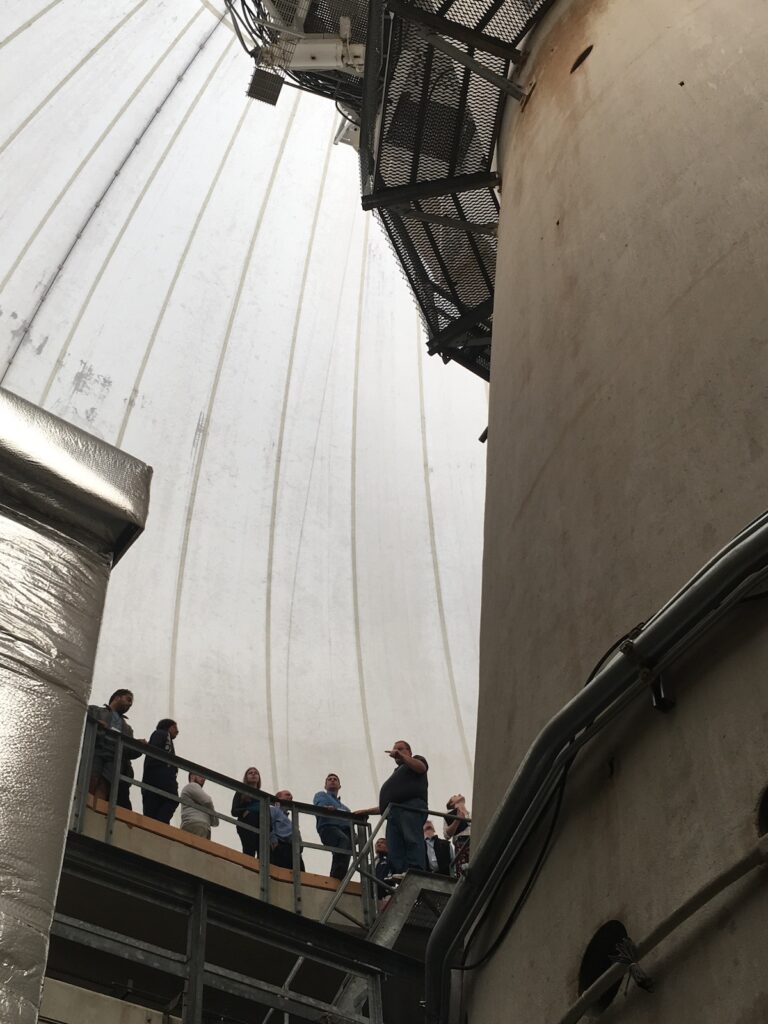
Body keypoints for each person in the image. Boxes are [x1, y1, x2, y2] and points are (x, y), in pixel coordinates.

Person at [356, 740, 428, 874]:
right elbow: (385, 804)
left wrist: (402, 757)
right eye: (395, 750)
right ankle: (402, 872)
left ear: (410, 752)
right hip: (393, 812)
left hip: (410, 808)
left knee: (411, 839)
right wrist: (367, 811)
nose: (397, 752)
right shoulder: (397, 772)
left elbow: (421, 767)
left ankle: (416, 870)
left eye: (401, 749)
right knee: (395, 846)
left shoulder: (416, 761)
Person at [87, 689, 144, 810]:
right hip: (95, 751)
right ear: (117, 697)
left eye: (131, 703)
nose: (129, 704)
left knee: (104, 785)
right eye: (128, 700)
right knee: (91, 780)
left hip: (114, 758)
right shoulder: (95, 710)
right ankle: (86, 807)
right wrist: (96, 724)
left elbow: (129, 752)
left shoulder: (128, 728)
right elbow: (81, 723)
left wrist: (139, 746)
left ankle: (96, 811)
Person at [313, 773, 353, 880]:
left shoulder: (345, 807)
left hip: (344, 831)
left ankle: (341, 878)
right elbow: (319, 804)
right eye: (329, 779)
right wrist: (325, 808)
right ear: (325, 785)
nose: (332, 780)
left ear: (339, 786)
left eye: (335, 779)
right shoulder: (321, 795)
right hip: (328, 828)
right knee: (343, 840)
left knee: (348, 848)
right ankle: (336, 876)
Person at [141, 719, 179, 824]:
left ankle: (156, 827)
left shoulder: (164, 737)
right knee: (171, 799)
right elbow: (155, 753)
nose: (177, 731)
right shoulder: (162, 734)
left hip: (155, 781)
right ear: (168, 727)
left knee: (151, 813)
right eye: (175, 727)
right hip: (159, 781)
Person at [270, 790, 305, 871]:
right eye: (287, 795)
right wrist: (273, 840)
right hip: (282, 847)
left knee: (301, 876)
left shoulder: (289, 819)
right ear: (279, 797)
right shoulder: (274, 810)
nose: (291, 797)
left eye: (291, 796)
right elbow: (268, 824)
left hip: (294, 851)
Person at [231, 766, 263, 856]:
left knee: (263, 854)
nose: (253, 774)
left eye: (256, 773)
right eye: (250, 773)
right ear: (246, 777)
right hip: (246, 825)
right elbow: (234, 811)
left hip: (261, 826)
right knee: (249, 852)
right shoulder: (241, 792)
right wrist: (245, 810)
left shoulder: (263, 796)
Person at [179, 773, 219, 840]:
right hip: (196, 824)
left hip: (199, 825)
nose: (203, 779)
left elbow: (215, 822)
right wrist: (212, 813)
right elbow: (207, 801)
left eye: (204, 777)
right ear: (192, 776)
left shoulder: (194, 790)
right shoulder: (192, 785)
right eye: (200, 775)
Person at [444, 794, 471, 874]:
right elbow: (446, 835)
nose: (459, 794)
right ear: (451, 803)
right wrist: (457, 819)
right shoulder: (449, 814)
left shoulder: (472, 812)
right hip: (461, 843)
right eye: (454, 796)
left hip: (475, 840)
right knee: (464, 872)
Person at [374, 836, 392, 903]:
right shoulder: (371, 863)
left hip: (385, 895)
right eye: (377, 843)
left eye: (382, 843)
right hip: (371, 894)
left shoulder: (390, 860)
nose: (379, 844)